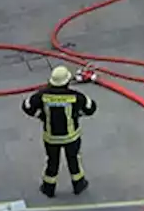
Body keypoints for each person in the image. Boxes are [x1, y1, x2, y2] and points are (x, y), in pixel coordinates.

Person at [22, 65, 96, 198]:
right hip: (71, 137)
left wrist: (40, 115)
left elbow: (27, 106)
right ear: (67, 81)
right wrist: (78, 114)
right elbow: (91, 108)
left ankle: (48, 187)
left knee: (52, 161)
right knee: (73, 160)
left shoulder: (42, 95)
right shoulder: (75, 97)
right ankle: (79, 184)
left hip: (51, 138)